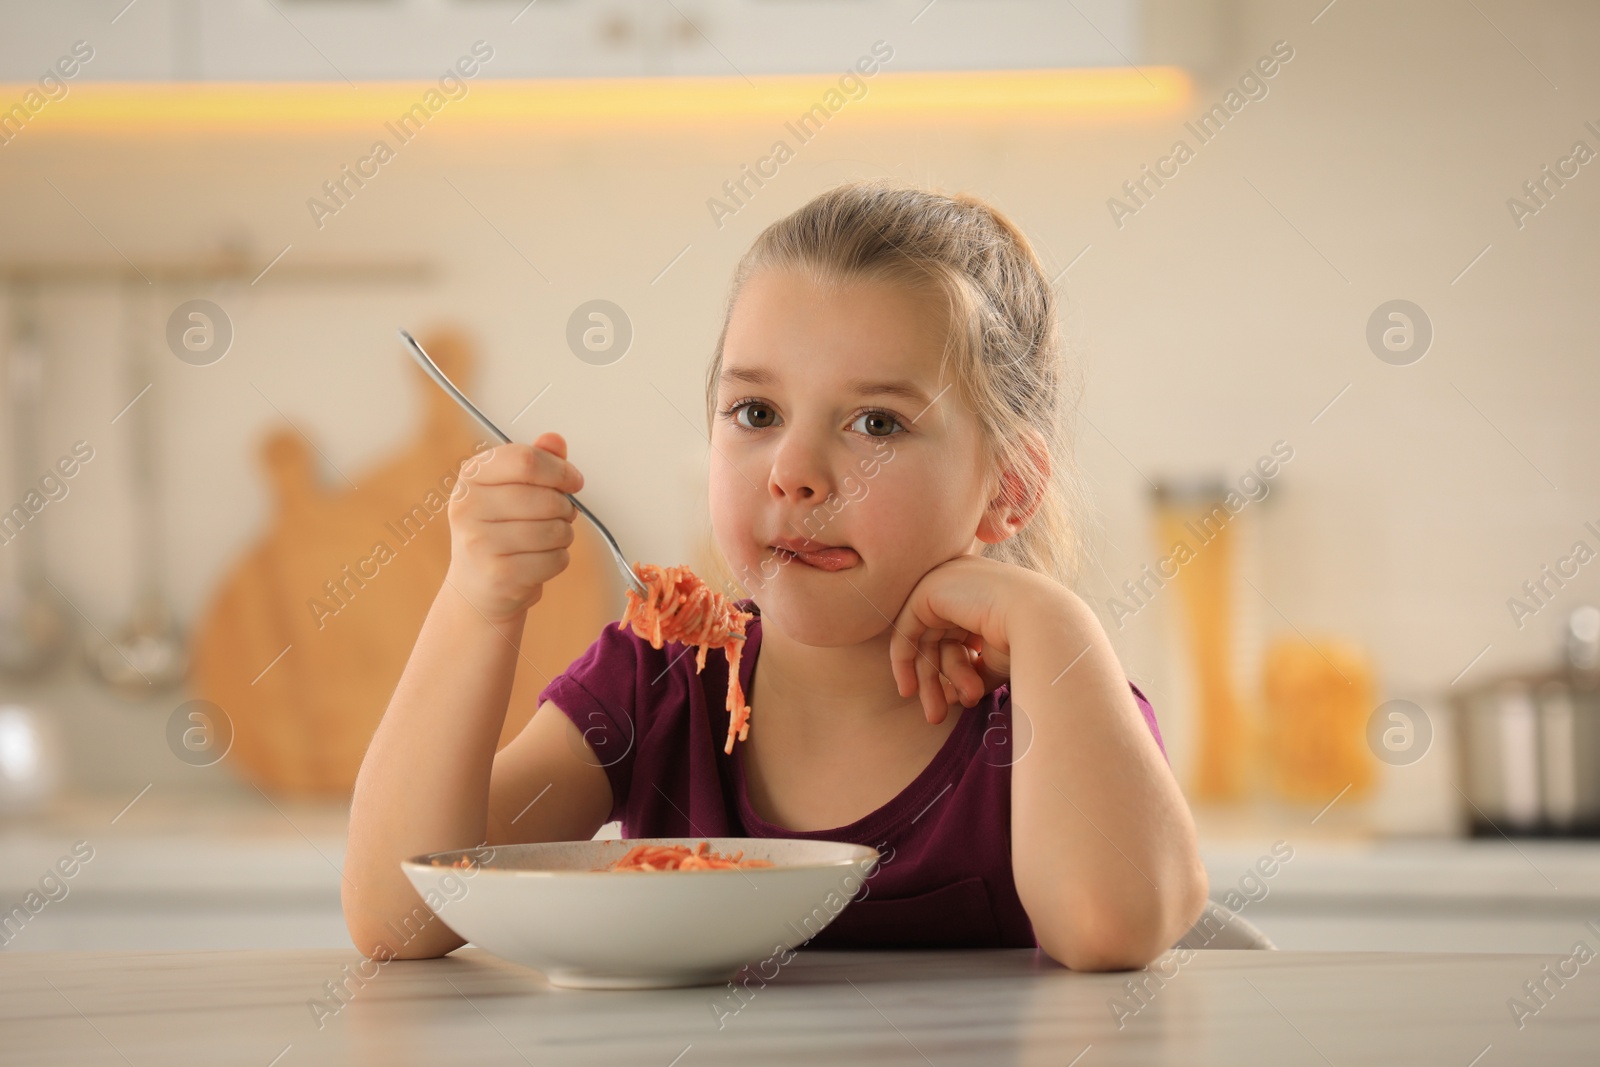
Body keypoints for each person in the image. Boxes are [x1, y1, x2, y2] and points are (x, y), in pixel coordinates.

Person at [343, 178, 1208, 971]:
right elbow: (403, 914)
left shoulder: (1050, 708)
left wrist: (1053, 621)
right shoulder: (659, 683)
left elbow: (1110, 926)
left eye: (876, 422)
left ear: (1008, 489)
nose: (793, 471)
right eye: (756, 411)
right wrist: (477, 603)